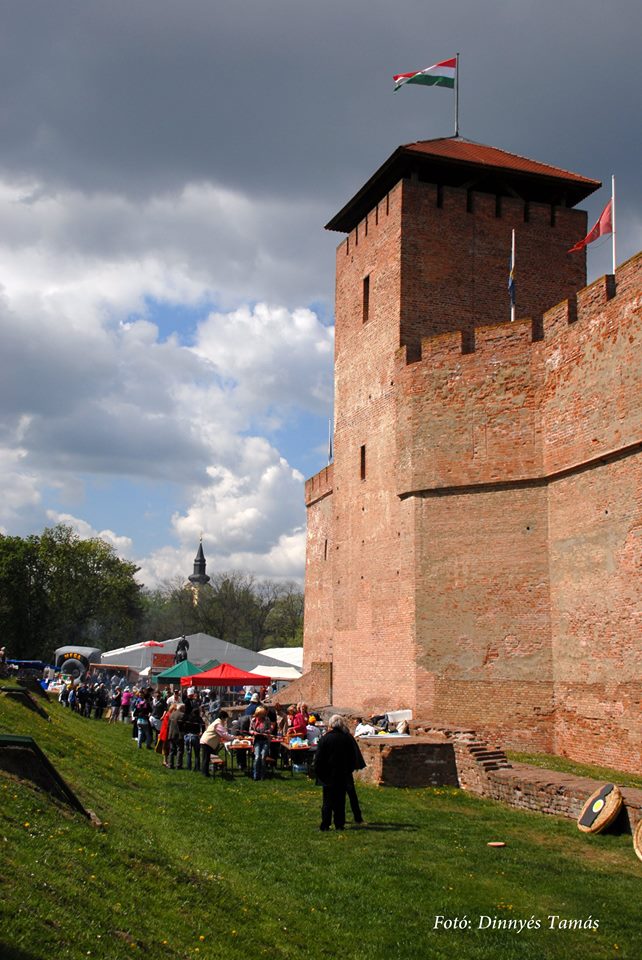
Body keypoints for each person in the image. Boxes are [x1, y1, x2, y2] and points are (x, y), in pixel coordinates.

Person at [315, 715, 362, 831]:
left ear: (331, 724)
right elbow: (352, 757)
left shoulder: (325, 739)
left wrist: (319, 773)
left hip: (328, 774)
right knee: (340, 801)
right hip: (342, 773)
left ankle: (325, 824)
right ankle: (339, 824)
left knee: (327, 801)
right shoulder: (346, 738)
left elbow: (318, 759)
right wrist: (348, 770)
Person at [200, 711, 233, 777]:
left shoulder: (217, 722)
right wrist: (233, 737)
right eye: (225, 719)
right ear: (222, 717)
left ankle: (205, 772)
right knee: (206, 758)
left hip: (206, 741)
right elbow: (224, 734)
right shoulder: (218, 724)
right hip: (207, 742)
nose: (225, 720)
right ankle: (205, 773)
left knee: (206, 758)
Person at [250, 706, 271, 781]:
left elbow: (270, 729)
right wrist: (253, 732)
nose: (262, 716)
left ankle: (262, 775)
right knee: (257, 757)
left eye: (263, 714)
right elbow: (250, 730)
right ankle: (255, 775)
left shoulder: (267, 719)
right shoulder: (253, 720)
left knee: (263, 757)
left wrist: (267, 732)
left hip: (265, 740)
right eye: (261, 714)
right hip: (257, 740)